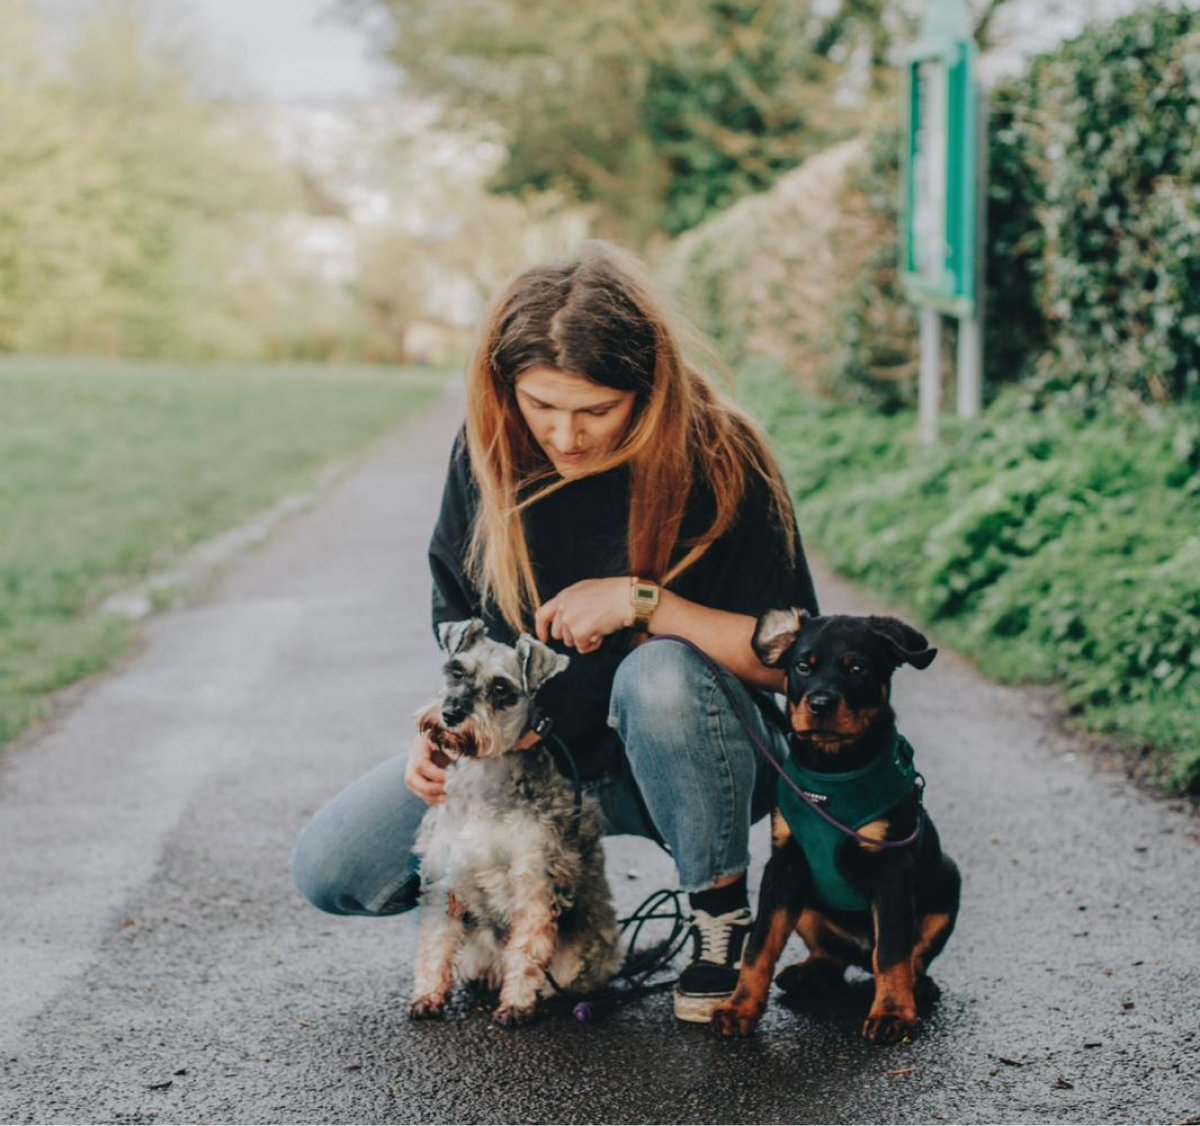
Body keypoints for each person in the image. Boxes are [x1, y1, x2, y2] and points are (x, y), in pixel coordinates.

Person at [291, 239, 819, 1023]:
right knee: (333, 866)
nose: (567, 437)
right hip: (530, 773)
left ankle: (717, 920)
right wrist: (446, 731)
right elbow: (461, 634)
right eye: (544, 406)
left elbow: (793, 663)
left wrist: (648, 604)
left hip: (690, 764)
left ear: (648, 389)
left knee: (659, 673)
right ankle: (536, 909)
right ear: (508, 389)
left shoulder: (722, 452)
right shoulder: (489, 454)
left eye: (596, 411)